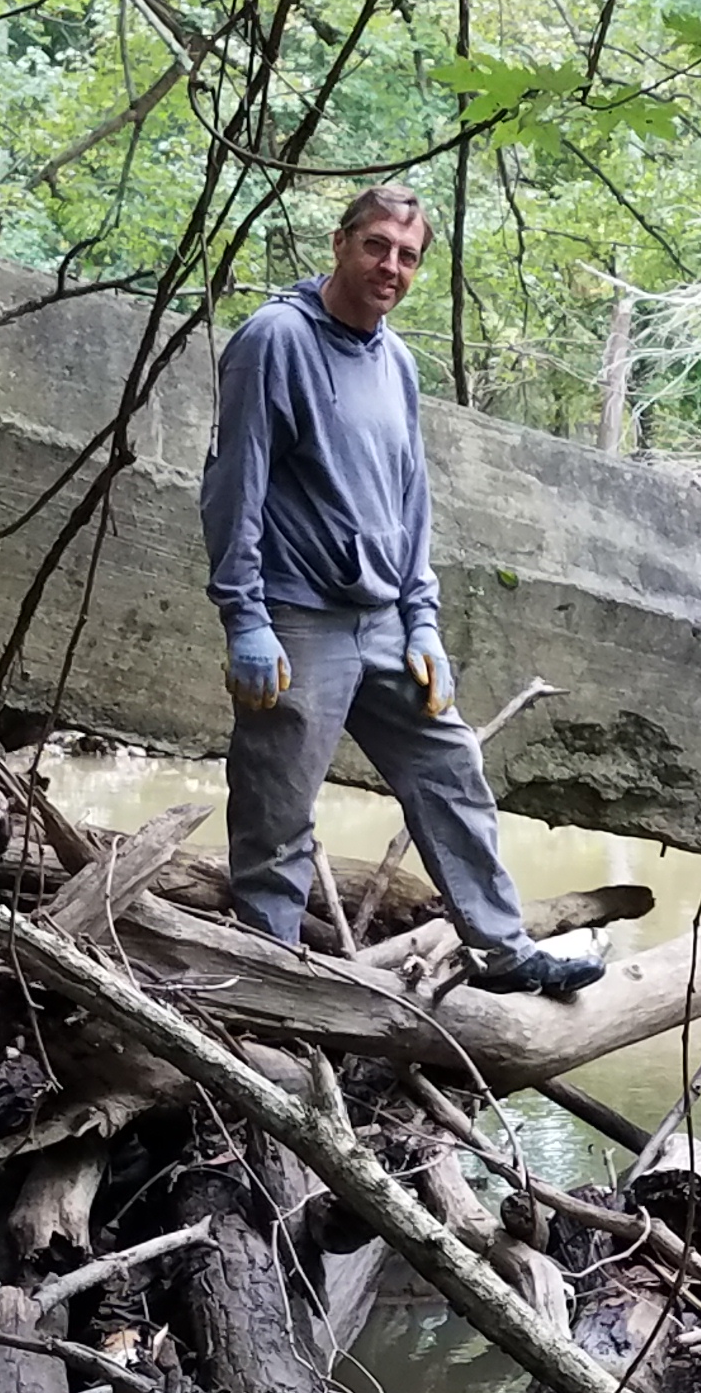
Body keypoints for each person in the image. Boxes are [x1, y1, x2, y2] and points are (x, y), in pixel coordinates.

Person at [199, 183, 603, 999]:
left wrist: (424, 620)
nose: (391, 266)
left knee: (451, 770)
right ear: (342, 243)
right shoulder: (275, 340)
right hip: (298, 619)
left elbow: (410, 500)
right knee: (277, 815)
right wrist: (245, 619)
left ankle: (501, 950)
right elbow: (232, 484)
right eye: (377, 245)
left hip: (385, 620)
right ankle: (267, 990)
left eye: (408, 256)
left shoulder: (396, 360)